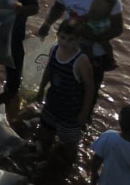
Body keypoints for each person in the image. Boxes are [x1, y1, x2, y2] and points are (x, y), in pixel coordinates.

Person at [37, 0, 121, 116]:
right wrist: (46, 24)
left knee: (89, 90)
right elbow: (58, 7)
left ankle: (83, 121)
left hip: (95, 54)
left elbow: (116, 28)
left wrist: (90, 36)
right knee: (62, 85)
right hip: (69, 48)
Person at [34, 20, 95, 158]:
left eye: (71, 40)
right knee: (45, 133)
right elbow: (49, 70)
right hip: (52, 102)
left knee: (69, 143)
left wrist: (84, 113)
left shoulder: (81, 61)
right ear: (57, 35)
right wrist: (41, 89)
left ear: (79, 40)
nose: (65, 42)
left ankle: (67, 163)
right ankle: (43, 157)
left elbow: (90, 88)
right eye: (62, 37)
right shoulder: (54, 50)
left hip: (71, 111)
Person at [86, 0, 129, 71]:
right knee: (104, 42)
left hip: (99, 23)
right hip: (100, 21)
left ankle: (96, 60)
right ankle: (111, 60)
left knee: (90, 42)